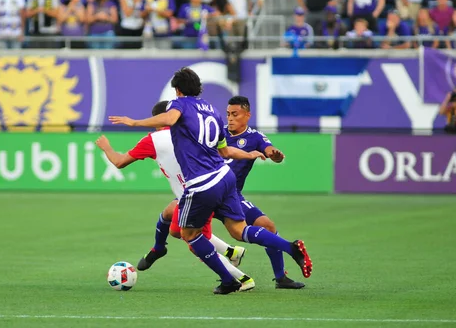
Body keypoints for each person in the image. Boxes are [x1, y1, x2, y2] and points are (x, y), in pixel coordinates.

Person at [109, 68, 312, 294]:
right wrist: (249, 154)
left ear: (177, 91)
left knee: (189, 234)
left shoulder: (180, 105)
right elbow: (225, 152)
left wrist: (134, 122)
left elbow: (169, 118)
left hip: (201, 182)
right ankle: (291, 248)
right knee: (239, 230)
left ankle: (229, 280)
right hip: (225, 178)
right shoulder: (213, 111)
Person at [95, 101, 255, 292]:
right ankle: (160, 248)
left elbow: (120, 162)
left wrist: (106, 147)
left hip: (197, 195)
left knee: (194, 241)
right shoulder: (192, 132)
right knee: (170, 216)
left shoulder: (154, 139)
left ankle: (241, 277)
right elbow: (223, 150)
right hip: (216, 185)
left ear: (157, 120)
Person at [223, 96, 305, 289]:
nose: (230, 119)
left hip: (233, 195)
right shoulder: (218, 132)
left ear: (247, 115)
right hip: (212, 192)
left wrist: (273, 154)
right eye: (228, 114)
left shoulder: (254, 137)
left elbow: (269, 150)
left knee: (267, 226)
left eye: (235, 114)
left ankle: (280, 278)